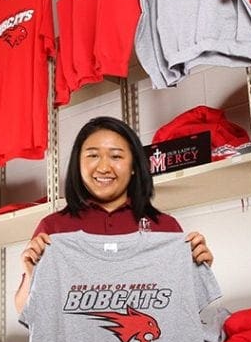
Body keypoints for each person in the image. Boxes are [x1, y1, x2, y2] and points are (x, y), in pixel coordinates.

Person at [14, 115, 214, 313]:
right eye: (92, 155)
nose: (103, 167)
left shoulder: (165, 228)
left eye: (116, 156)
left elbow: (184, 311)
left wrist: (199, 271)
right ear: (78, 164)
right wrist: (31, 275)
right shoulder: (53, 230)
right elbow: (26, 312)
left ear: (134, 166)